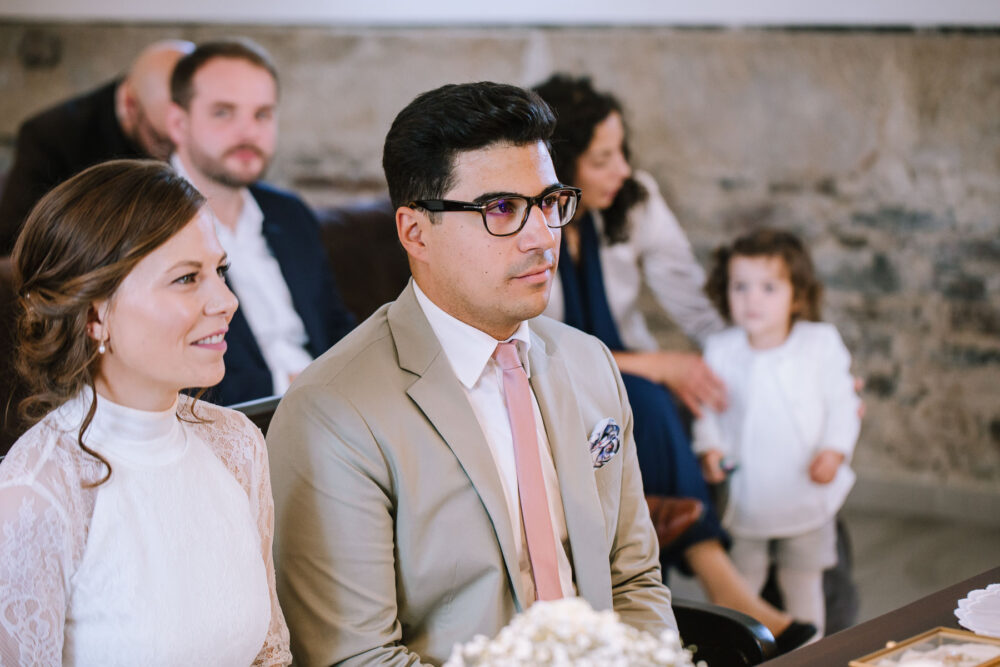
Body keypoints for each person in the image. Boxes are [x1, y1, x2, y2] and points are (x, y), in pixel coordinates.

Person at [267, 82, 675, 666]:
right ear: (415, 232)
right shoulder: (332, 412)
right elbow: (356, 659)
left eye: (549, 202)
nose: (542, 236)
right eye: (501, 209)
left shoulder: (589, 362)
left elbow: (634, 581)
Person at [533, 73, 819, 651]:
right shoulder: (535, 220)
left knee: (727, 398)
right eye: (603, 158)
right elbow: (539, 343)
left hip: (619, 368)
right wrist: (658, 366)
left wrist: (788, 361)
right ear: (562, 167)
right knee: (648, 398)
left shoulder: (634, 199)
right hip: (554, 379)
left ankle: (722, 593)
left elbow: (696, 302)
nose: (622, 171)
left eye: (623, 152)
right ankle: (728, 592)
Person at [0, 159, 290, 665]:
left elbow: (268, 654)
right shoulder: (35, 496)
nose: (226, 301)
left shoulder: (237, 444)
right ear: (95, 314)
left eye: (219, 271)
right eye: (186, 279)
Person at [166, 38, 354, 406]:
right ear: (178, 123)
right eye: (223, 112)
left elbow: (336, 327)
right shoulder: (145, 223)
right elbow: (159, 371)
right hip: (231, 425)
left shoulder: (289, 213)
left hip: (329, 413)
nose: (248, 133)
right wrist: (290, 384)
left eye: (262, 114)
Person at [695, 228, 861, 639]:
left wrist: (835, 450)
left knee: (803, 579)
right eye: (740, 286)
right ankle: (736, 646)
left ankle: (812, 650)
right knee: (742, 579)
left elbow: (843, 403)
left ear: (798, 296)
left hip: (805, 491)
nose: (752, 299)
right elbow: (706, 410)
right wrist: (709, 448)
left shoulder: (819, 344)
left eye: (769, 287)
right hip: (748, 496)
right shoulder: (721, 350)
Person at [0, 39, 194, 253]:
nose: (178, 153)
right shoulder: (51, 135)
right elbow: (15, 241)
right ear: (130, 105)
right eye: (161, 142)